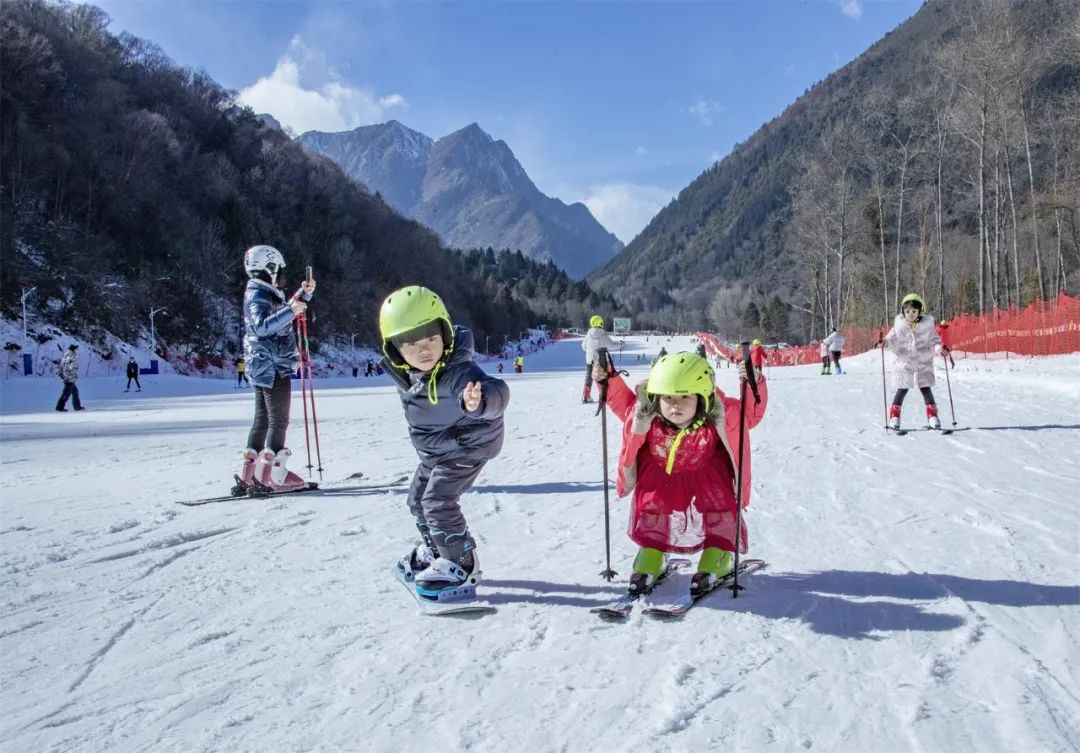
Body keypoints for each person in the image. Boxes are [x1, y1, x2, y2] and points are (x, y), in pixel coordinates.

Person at [592, 351, 768, 597]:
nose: (675, 404)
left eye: (685, 396)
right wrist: (608, 380)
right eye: (668, 397)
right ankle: (652, 553)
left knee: (717, 507)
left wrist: (752, 382)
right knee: (653, 508)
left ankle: (719, 554)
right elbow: (623, 401)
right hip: (661, 474)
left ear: (702, 398)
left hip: (706, 472)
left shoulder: (719, 414)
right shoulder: (646, 412)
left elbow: (749, 415)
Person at [382, 286, 509, 601]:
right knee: (416, 499)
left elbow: (499, 392)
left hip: (468, 445)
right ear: (395, 351)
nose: (424, 350)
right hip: (437, 450)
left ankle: (462, 561)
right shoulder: (408, 375)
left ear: (445, 335)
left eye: (430, 339)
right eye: (411, 343)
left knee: (438, 501)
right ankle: (438, 550)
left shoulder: (457, 371)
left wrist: (478, 402)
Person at [235, 245, 315, 493]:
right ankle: (272, 476)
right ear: (269, 269)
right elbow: (262, 326)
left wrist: (303, 295)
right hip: (274, 365)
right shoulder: (258, 296)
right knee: (278, 420)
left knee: (262, 419)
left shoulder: (261, 293)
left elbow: (280, 314)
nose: (282, 275)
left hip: (263, 364)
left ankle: (249, 475)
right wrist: (292, 310)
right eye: (279, 270)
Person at [878, 293, 946, 430]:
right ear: (903, 312)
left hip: (923, 360)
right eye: (907, 311)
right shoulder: (899, 326)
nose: (910, 314)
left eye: (914, 311)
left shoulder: (927, 326)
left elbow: (934, 341)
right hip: (904, 360)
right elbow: (890, 338)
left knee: (925, 387)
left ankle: (932, 415)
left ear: (920, 311)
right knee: (902, 387)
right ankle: (894, 416)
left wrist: (940, 350)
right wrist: (885, 342)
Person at [581, 314, 614, 403]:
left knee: (589, 377)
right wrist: (621, 345)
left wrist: (590, 350)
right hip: (600, 360)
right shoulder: (603, 333)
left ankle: (586, 395)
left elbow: (583, 346)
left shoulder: (589, 333)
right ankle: (602, 396)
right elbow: (610, 345)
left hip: (589, 360)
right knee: (601, 377)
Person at [55, 344, 85, 412]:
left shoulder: (68, 355)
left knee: (75, 392)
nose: (77, 351)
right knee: (66, 394)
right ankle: (59, 407)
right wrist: (69, 375)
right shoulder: (70, 356)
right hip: (69, 378)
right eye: (76, 349)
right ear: (73, 350)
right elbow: (67, 367)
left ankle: (77, 406)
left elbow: (63, 365)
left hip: (70, 378)